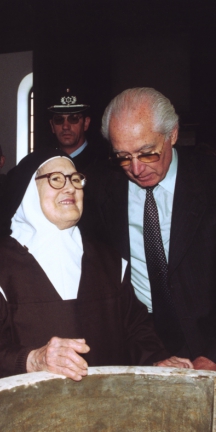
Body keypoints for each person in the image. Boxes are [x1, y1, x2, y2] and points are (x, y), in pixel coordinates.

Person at [0, 148, 190, 391]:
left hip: (108, 408)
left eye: (75, 179)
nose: (70, 187)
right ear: (29, 191)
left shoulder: (109, 261)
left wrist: (157, 359)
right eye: (56, 179)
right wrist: (32, 360)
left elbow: (137, 328)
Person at [80, 87, 216, 371]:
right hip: (137, 343)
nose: (137, 169)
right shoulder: (99, 186)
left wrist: (212, 353)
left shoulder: (209, 180)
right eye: (123, 157)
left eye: (147, 153)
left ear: (173, 134)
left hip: (205, 336)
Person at [48, 88, 106, 172]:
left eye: (73, 119)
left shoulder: (102, 165)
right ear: (52, 125)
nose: (65, 126)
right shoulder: (46, 164)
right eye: (59, 119)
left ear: (86, 123)